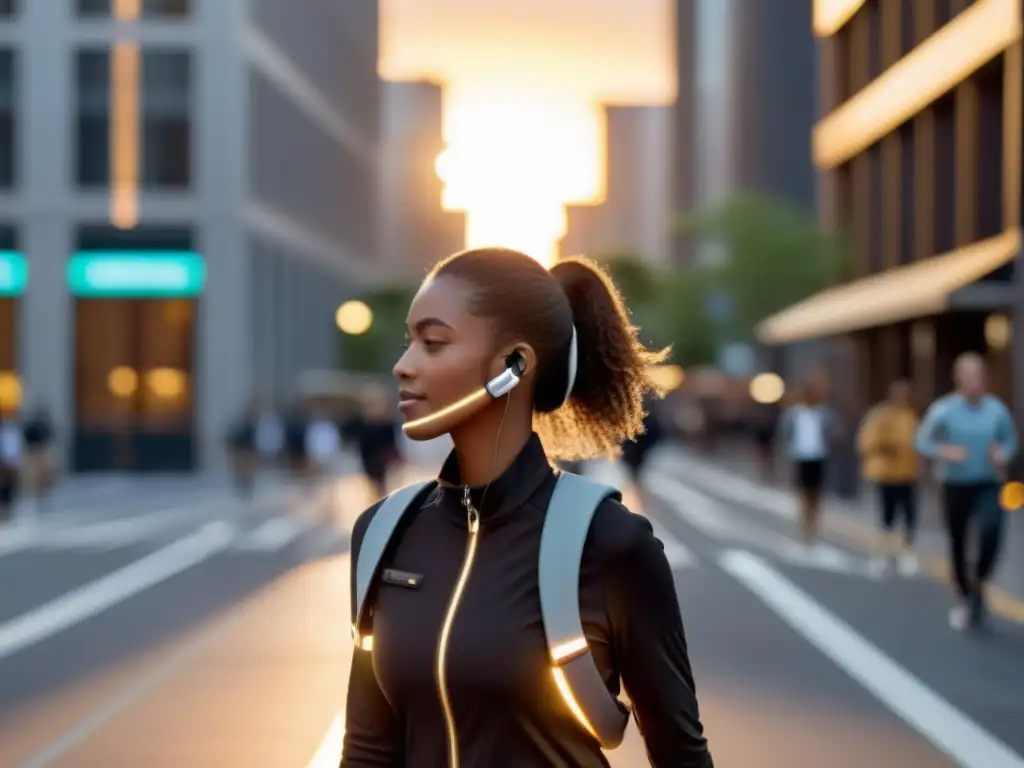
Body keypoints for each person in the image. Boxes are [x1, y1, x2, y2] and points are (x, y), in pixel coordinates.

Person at [342, 249, 714, 767]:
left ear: (513, 365)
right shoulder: (382, 532)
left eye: (433, 343)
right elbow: (367, 748)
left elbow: (682, 755)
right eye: (410, 344)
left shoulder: (609, 542)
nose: (403, 367)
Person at [916, 352, 1018, 631]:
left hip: (987, 481)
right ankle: (963, 595)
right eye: (971, 375)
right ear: (959, 378)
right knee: (958, 541)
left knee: (991, 532)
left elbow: (1010, 442)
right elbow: (922, 441)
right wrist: (943, 451)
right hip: (955, 484)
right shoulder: (944, 410)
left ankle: (979, 580)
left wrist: (1002, 454)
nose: (977, 381)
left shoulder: (996, 409)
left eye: (981, 374)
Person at [857, 380, 920, 577]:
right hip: (886, 474)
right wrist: (886, 446)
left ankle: (904, 552)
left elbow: (918, 443)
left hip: (907, 474)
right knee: (887, 516)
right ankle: (883, 552)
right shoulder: (880, 415)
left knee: (909, 515)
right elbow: (867, 441)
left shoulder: (910, 417)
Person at [780, 373, 835, 547]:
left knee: (816, 494)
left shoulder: (823, 413)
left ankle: (813, 526)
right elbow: (784, 434)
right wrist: (785, 452)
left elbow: (832, 431)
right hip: (800, 456)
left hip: (819, 456)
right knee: (803, 493)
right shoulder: (794, 414)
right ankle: (804, 525)